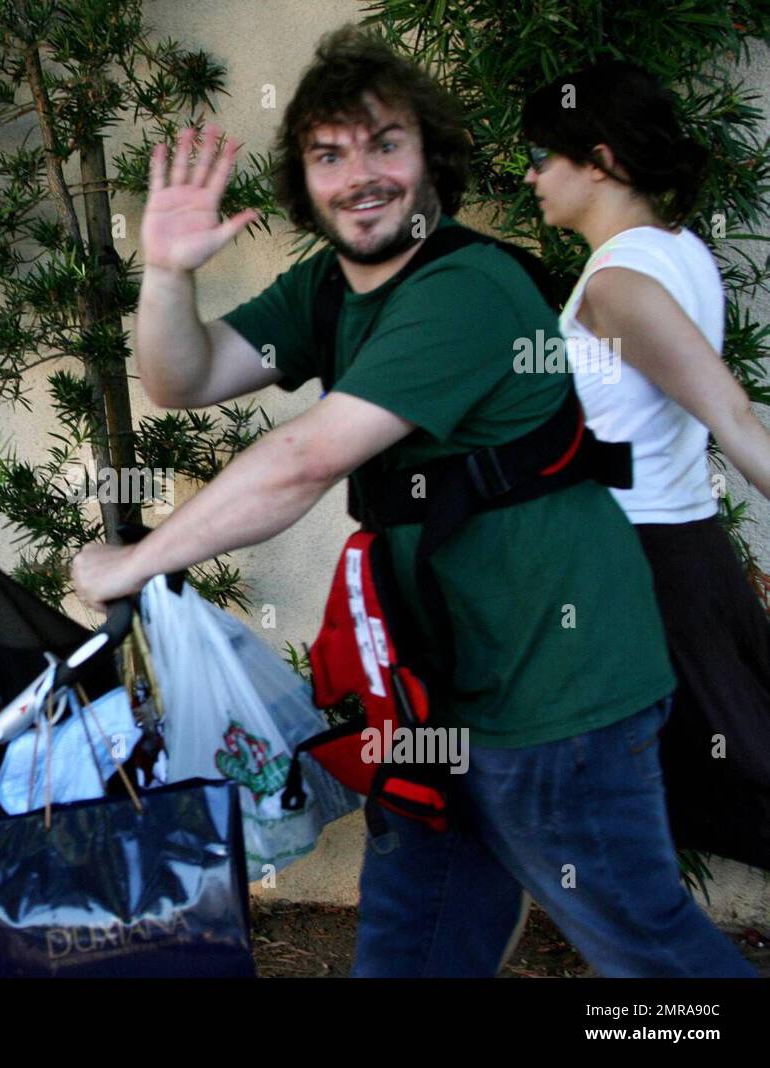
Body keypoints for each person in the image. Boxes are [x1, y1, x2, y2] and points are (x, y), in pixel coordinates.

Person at [69, 25, 756, 977]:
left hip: (556, 696)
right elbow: (182, 378)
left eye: (386, 143)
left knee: (650, 956)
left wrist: (138, 560)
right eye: (328, 154)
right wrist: (168, 271)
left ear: (433, 159)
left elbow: (307, 458)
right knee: (414, 948)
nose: (361, 174)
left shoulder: (470, 289)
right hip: (431, 694)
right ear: (304, 182)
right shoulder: (326, 289)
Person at [523, 61, 770, 871]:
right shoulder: (679, 251)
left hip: (644, 566)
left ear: (598, 161)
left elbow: (730, 414)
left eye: (541, 157)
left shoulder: (621, 282)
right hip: (670, 552)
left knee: (686, 803)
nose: (530, 176)